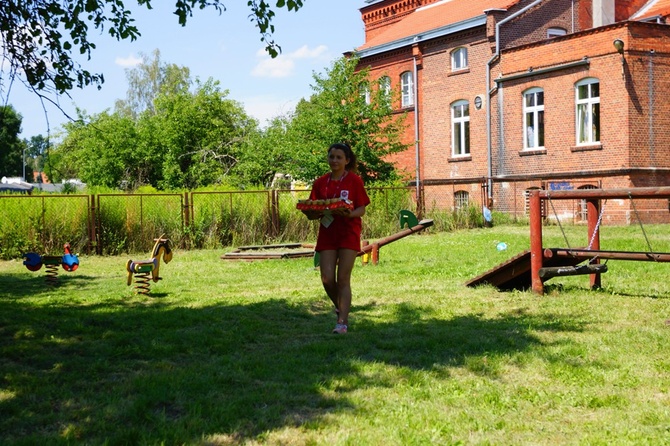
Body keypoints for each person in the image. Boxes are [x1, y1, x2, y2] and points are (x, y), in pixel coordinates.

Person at [302, 142, 370, 334]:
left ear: (347, 161)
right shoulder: (320, 183)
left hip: (348, 232)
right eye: (332, 157)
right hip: (328, 233)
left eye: (339, 157)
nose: (335, 161)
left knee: (343, 278)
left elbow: (361, 209)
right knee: (326, 278)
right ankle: (341, 306)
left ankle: (342, 322)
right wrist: (312, 213)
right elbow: (313, 208)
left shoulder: (354, 181)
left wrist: (348, 214)